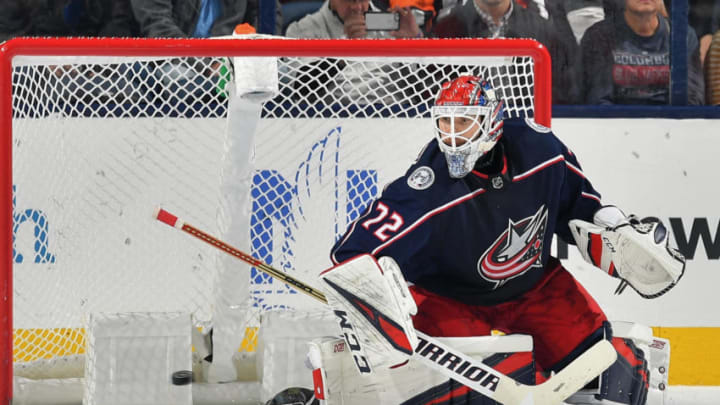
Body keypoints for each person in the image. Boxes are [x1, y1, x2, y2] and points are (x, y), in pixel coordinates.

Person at [325, 75, 685, 404]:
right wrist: (373, 300)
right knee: (479, 395)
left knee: (611, 376)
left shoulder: (541, 150)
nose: (452, 136)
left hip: (536, 288)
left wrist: (613, 226)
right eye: (445, 123)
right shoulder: (427, 188)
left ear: (491, 122)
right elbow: (351, 254)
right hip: (451, 301)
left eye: (463, 122)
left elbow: (578, 204)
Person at [431, 0, 581, 104]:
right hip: (468, 128)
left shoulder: (543, 30)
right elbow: (432, 91)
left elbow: (564, 90)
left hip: (526, 128)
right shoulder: (446, 29)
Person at [581, 0, 705, 104]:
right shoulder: (599, 36)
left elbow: (691, 100)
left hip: (669, 127)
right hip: (615, 126)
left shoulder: (683, 36)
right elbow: (598, 101)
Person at [130, 0, 282, 38]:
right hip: (178, 60)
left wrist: (251, 54)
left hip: (235, 58)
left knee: (282, 75)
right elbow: (158, 26)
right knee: (178, 77)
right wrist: (206, 64)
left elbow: (268, 13)